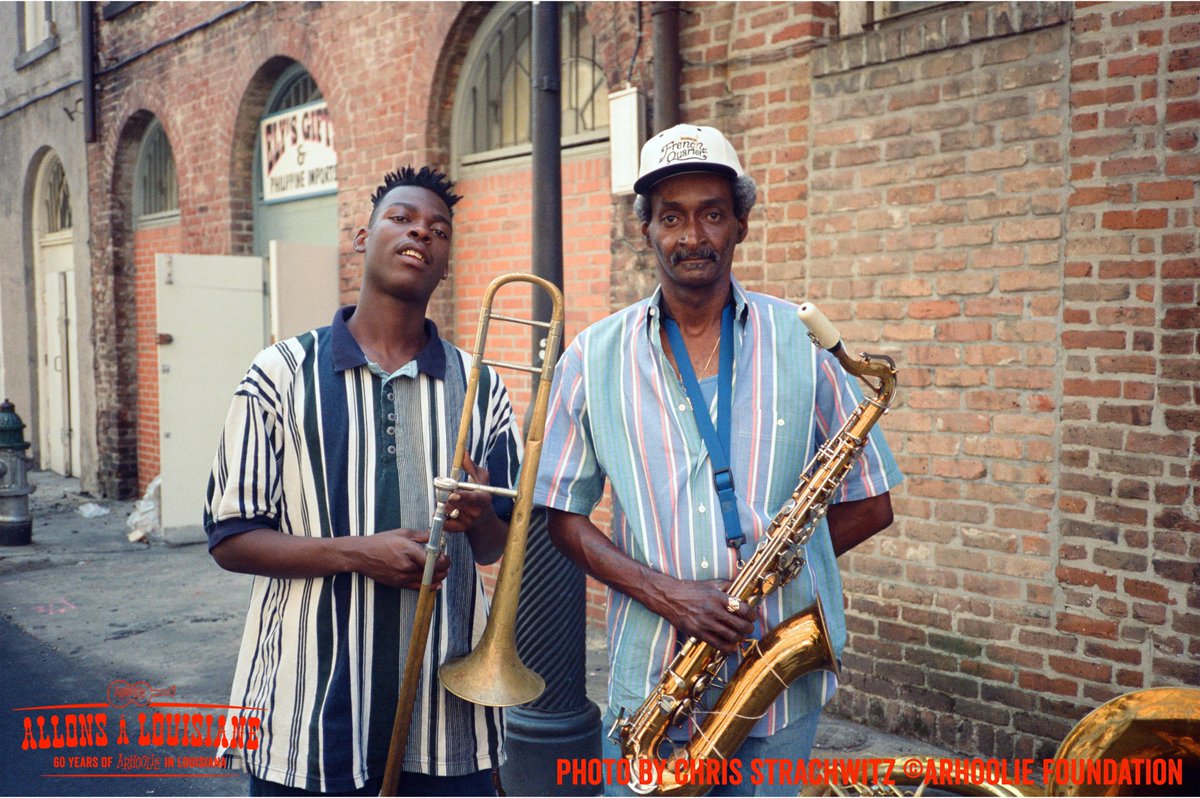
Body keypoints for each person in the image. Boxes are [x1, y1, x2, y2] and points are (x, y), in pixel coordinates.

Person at [533, 125, 903, 797]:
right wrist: (666, 592)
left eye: (711, 213)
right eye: (671, 216)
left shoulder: (803, 340)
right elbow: (562, 516)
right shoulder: (591, 357)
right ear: (645, 229)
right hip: (650, 682)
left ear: (741, 225)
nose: (692, 235)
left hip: (777, 685)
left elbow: (873, 503)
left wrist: (772, 575)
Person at [204, 166, 520, 796]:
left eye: (438, 229)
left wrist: (479, 514)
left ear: (447, 262)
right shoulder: (279, 374)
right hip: (306, 718)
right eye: (401, 219)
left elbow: (496, 548)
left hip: (447, 720)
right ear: (362, 237)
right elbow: (231, 539)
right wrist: (359, 554)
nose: (420, 234)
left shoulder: (482, 387)